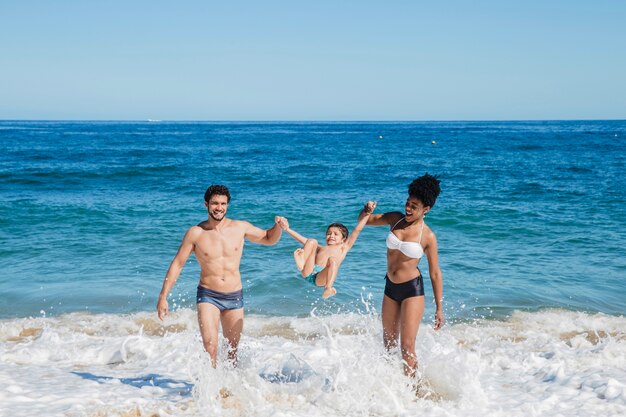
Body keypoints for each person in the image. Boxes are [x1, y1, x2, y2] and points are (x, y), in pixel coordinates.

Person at [157, 185, 283, 367]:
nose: (219, 207)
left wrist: (278, 226)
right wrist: (163, 297)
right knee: (210, 346)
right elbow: (177, 264)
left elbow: (269, 238)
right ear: (206, 204)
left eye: (223, 204)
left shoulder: (240, 227)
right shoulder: (196, 233)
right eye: (215, 203)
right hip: (208, 295)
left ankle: (227, 391)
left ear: (227, 205)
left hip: (234, 295)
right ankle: (210, 392)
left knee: (232, 350)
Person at [359, 174, 444, 377]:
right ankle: (393, 388)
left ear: (426, 209)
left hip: (412, 290)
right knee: (388, 344)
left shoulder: (428, 236)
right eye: (407, 203)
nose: (408, 208)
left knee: (407, 347)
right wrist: (366, 210)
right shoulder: (395, 219)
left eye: (414, 206)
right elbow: (364, 221)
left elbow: (435, 272)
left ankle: (414, 392)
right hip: (390, 288)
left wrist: (439, 308)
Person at [277, 205, 373, 299]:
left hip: (321, 277)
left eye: (335, 234)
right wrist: (287, 229)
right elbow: (302, 239)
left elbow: (357, 230)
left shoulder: (344, 248)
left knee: (332, 260)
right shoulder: (322, 248)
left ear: (343, 239)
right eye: (328, 233)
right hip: (309, 270)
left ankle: (328, 288)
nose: (331, 236)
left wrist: (367, 213)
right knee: (312, 241)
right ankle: (301, 263)